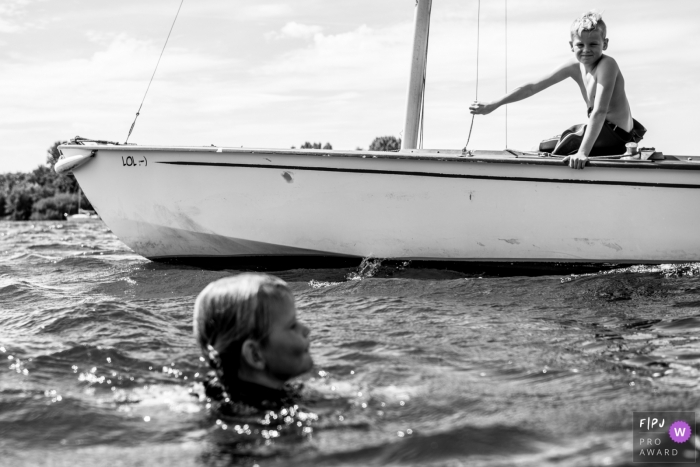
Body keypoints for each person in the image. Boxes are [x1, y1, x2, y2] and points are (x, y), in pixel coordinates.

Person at [469, 11, 645, 169]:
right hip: (601, 130)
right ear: (571, 45)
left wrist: (582, 153)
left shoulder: (607, 64)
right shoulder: (574, 66)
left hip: (616, 135)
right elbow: (532, 87)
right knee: (541, 148)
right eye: (580, 45)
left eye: (593, 44)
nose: (586, 50)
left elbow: (599, 111)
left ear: (604, 44)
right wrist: (494, 104)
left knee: (550, 148)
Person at [193, 273, 313, 410]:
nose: (306, 329)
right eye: (292, 326)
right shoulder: (267, 415)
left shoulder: (207, 393)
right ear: (255, 354)